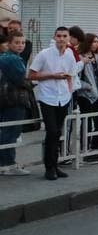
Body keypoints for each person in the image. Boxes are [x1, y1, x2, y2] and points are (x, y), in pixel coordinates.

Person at [28, 27, 77, 179]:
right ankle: (49, 168)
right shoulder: (44, 54)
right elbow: (31, 75)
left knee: (57, 133)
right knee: (52, 131)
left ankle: (55, 166)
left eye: (64, 36)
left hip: (63, 98)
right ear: (54, 37)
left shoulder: (69, 55)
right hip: (47, 97)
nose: (61, 39)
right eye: (59, 36)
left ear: (69, 38)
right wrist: (52, 76)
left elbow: (71, 75)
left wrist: (69, 91)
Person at [0, 29, 32, 175]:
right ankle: (8, 164)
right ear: (9, 43)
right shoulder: (12, 59)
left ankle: (6, 163)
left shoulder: (7, 57)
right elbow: (22, 80)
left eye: (23, 43)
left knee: (8, 132)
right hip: (14, 99)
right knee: (11, 133)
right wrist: (31, 83)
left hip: (8, 99)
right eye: (17, 43)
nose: (21, 45)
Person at [74, 34, 98, 161]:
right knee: (86, 124)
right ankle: (84, 151)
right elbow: (75, 77)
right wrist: (86, 86)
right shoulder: (80, 57)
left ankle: (94, 149)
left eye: (97, 42)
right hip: (85, 95)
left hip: (97, 94)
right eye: (94, 41)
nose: (96, 44)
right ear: (87, 43)